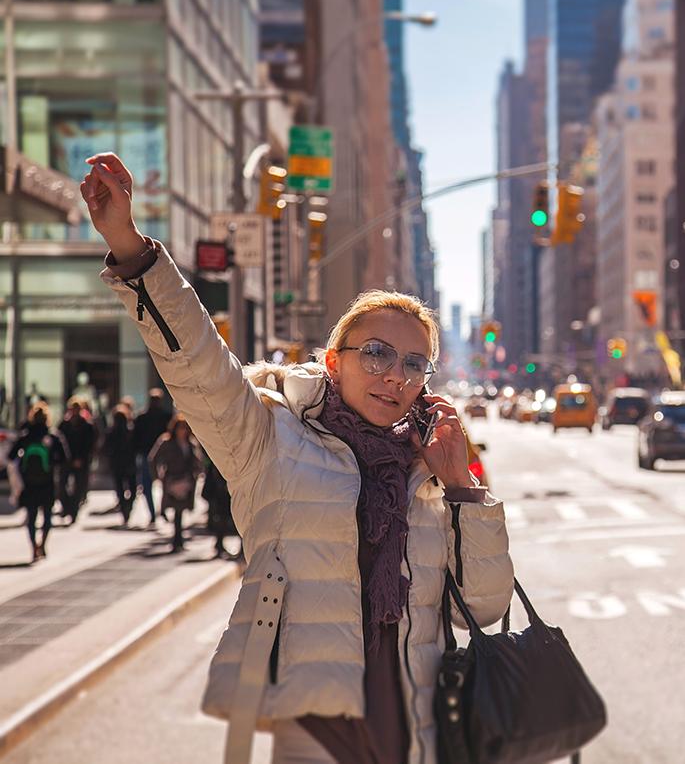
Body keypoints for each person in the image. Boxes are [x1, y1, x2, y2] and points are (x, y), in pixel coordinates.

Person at [84, 152, 513, 764]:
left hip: (423, 730)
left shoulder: (430, 471)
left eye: (414, 363)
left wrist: (464, 490)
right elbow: (199, 364)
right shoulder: (270, 439)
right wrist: (129, 246)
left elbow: (487, 607)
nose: (394, 375)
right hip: (320, 732)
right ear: (334, 361)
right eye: (376, 353)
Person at [9, 402, 69, 562]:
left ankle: (33, 546)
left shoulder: (26, 436)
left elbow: (11, 455)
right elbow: (64, 458)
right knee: (47, 515)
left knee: (31, 515)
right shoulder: (53, 436)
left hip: (29, 481)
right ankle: (43, 544)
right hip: (47, 481)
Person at [149, 414, 203, 552]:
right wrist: (157, 476)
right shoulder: (167, 442)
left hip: (186, 480)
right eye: (180, 428)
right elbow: (153, 459)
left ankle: (178, 539)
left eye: (185, 428)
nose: (182, 431)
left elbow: (198, 461)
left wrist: (197, 473)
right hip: (172, 480)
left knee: (181, 510)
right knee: (176, 509)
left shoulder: (191, 443)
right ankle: (176, 539)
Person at [133, 388, 172, 526]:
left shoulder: (162, 417)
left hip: (156, 455)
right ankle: (157, 511)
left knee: (154, 484)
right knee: (158, 484)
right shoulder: (162, 417)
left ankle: (157, 511)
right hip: (150, 454)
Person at [57, 398, 97, 524]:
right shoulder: (64, 425)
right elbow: (59, 443)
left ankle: (73, 511)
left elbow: (90, 444)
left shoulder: (87, 425)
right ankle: (67, 507)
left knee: (79, 487)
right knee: (61, 486)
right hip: (66, 461)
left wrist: (81, 458)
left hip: (81, 461)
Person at [104, 404, 138, 525]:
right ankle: (126, 508)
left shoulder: (130, 431)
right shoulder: (118, 432)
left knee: (122, 489)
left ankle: (125, 508)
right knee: (130, 490)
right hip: (125, 464)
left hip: (122, 464)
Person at [201, 448, 237, 559]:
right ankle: (219, 544)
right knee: (223, 517)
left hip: (227, 487)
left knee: (228, 517)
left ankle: (222, 545)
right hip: (221, 489)